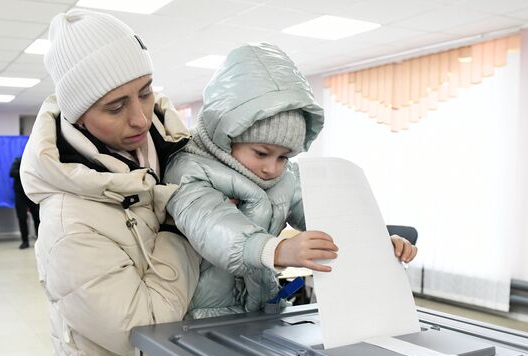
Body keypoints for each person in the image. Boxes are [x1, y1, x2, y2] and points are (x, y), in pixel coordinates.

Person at [163, 43, 417, 319]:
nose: (272, 168)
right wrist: (278, 249)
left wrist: (377, 241)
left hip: (262, 311)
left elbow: (329, 218)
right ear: (226, 135)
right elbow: (212, 226)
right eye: (261, 153)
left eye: (284, 157)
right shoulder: (189, 169)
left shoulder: (287, 177)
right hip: (201, 317)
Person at [20, 9, 201, 356]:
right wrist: (182, 226)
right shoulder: (69, 223)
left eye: (146, 92)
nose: (141, 118)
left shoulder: (183, 155)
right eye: (115, 107)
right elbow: (146, 333)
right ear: (79, 115)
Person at [9, 156, 40, 249]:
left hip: (32, 193)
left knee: (37, 217)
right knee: (22, 217)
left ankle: (40, 240)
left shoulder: (34, 161)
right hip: (20, 194)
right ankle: (25, 241)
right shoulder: (18, 160)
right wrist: (25, 172)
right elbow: (11, 173)